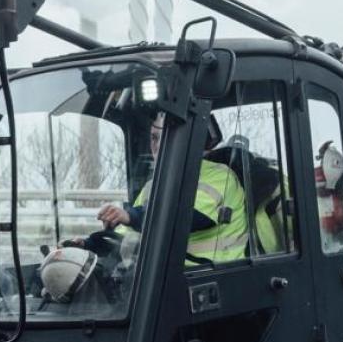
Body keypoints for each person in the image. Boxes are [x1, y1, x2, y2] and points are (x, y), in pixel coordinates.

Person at [99, 114, 251, 266]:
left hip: (213, 276)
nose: (157, 146)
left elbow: (184, 218)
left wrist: (130, 216)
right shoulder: (152, 186)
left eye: (166, 137)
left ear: (189, 141)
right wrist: (95, 244)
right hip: (166, 275)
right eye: (154, 138)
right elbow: (129, 231)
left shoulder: (220, 176)